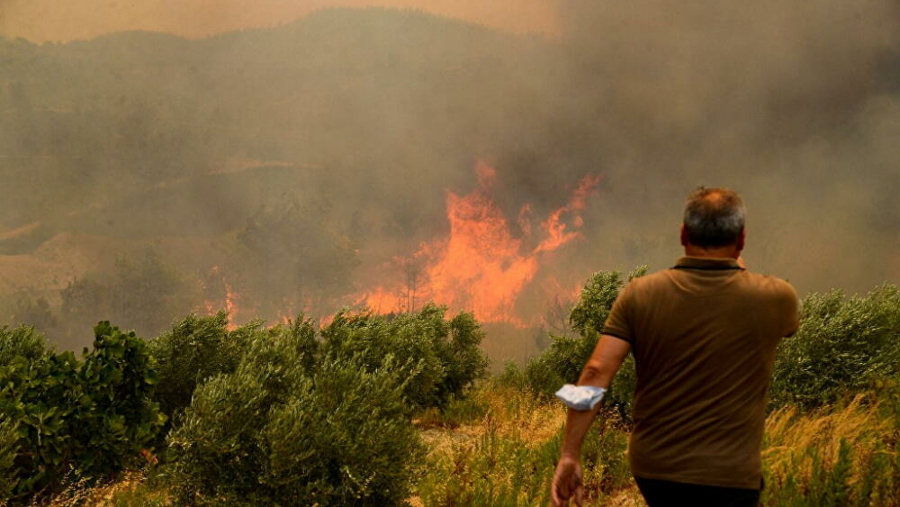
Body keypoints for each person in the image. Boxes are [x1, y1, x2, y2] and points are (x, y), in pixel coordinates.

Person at [551, 187, 800, 507]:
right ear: (741, 240)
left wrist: (570, 454)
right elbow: (781, 323)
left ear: (683, 234)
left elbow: (595, 372)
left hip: (655, 471)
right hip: (731, 473)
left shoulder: (638, 294)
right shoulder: (777, 297)